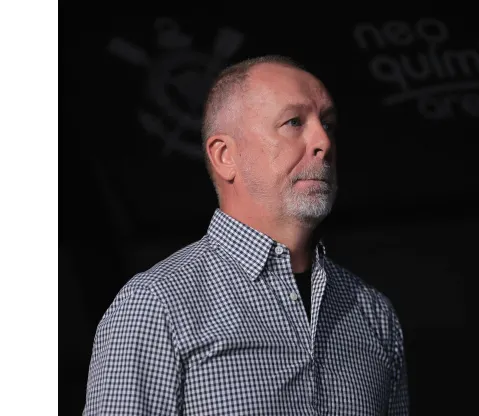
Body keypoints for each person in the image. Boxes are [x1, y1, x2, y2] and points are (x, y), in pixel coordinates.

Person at [83, 55, 409, 415]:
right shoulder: (156, 306)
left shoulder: (373, 314)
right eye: (294, 122)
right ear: (225, 156)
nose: (322, 142)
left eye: (328, 124)